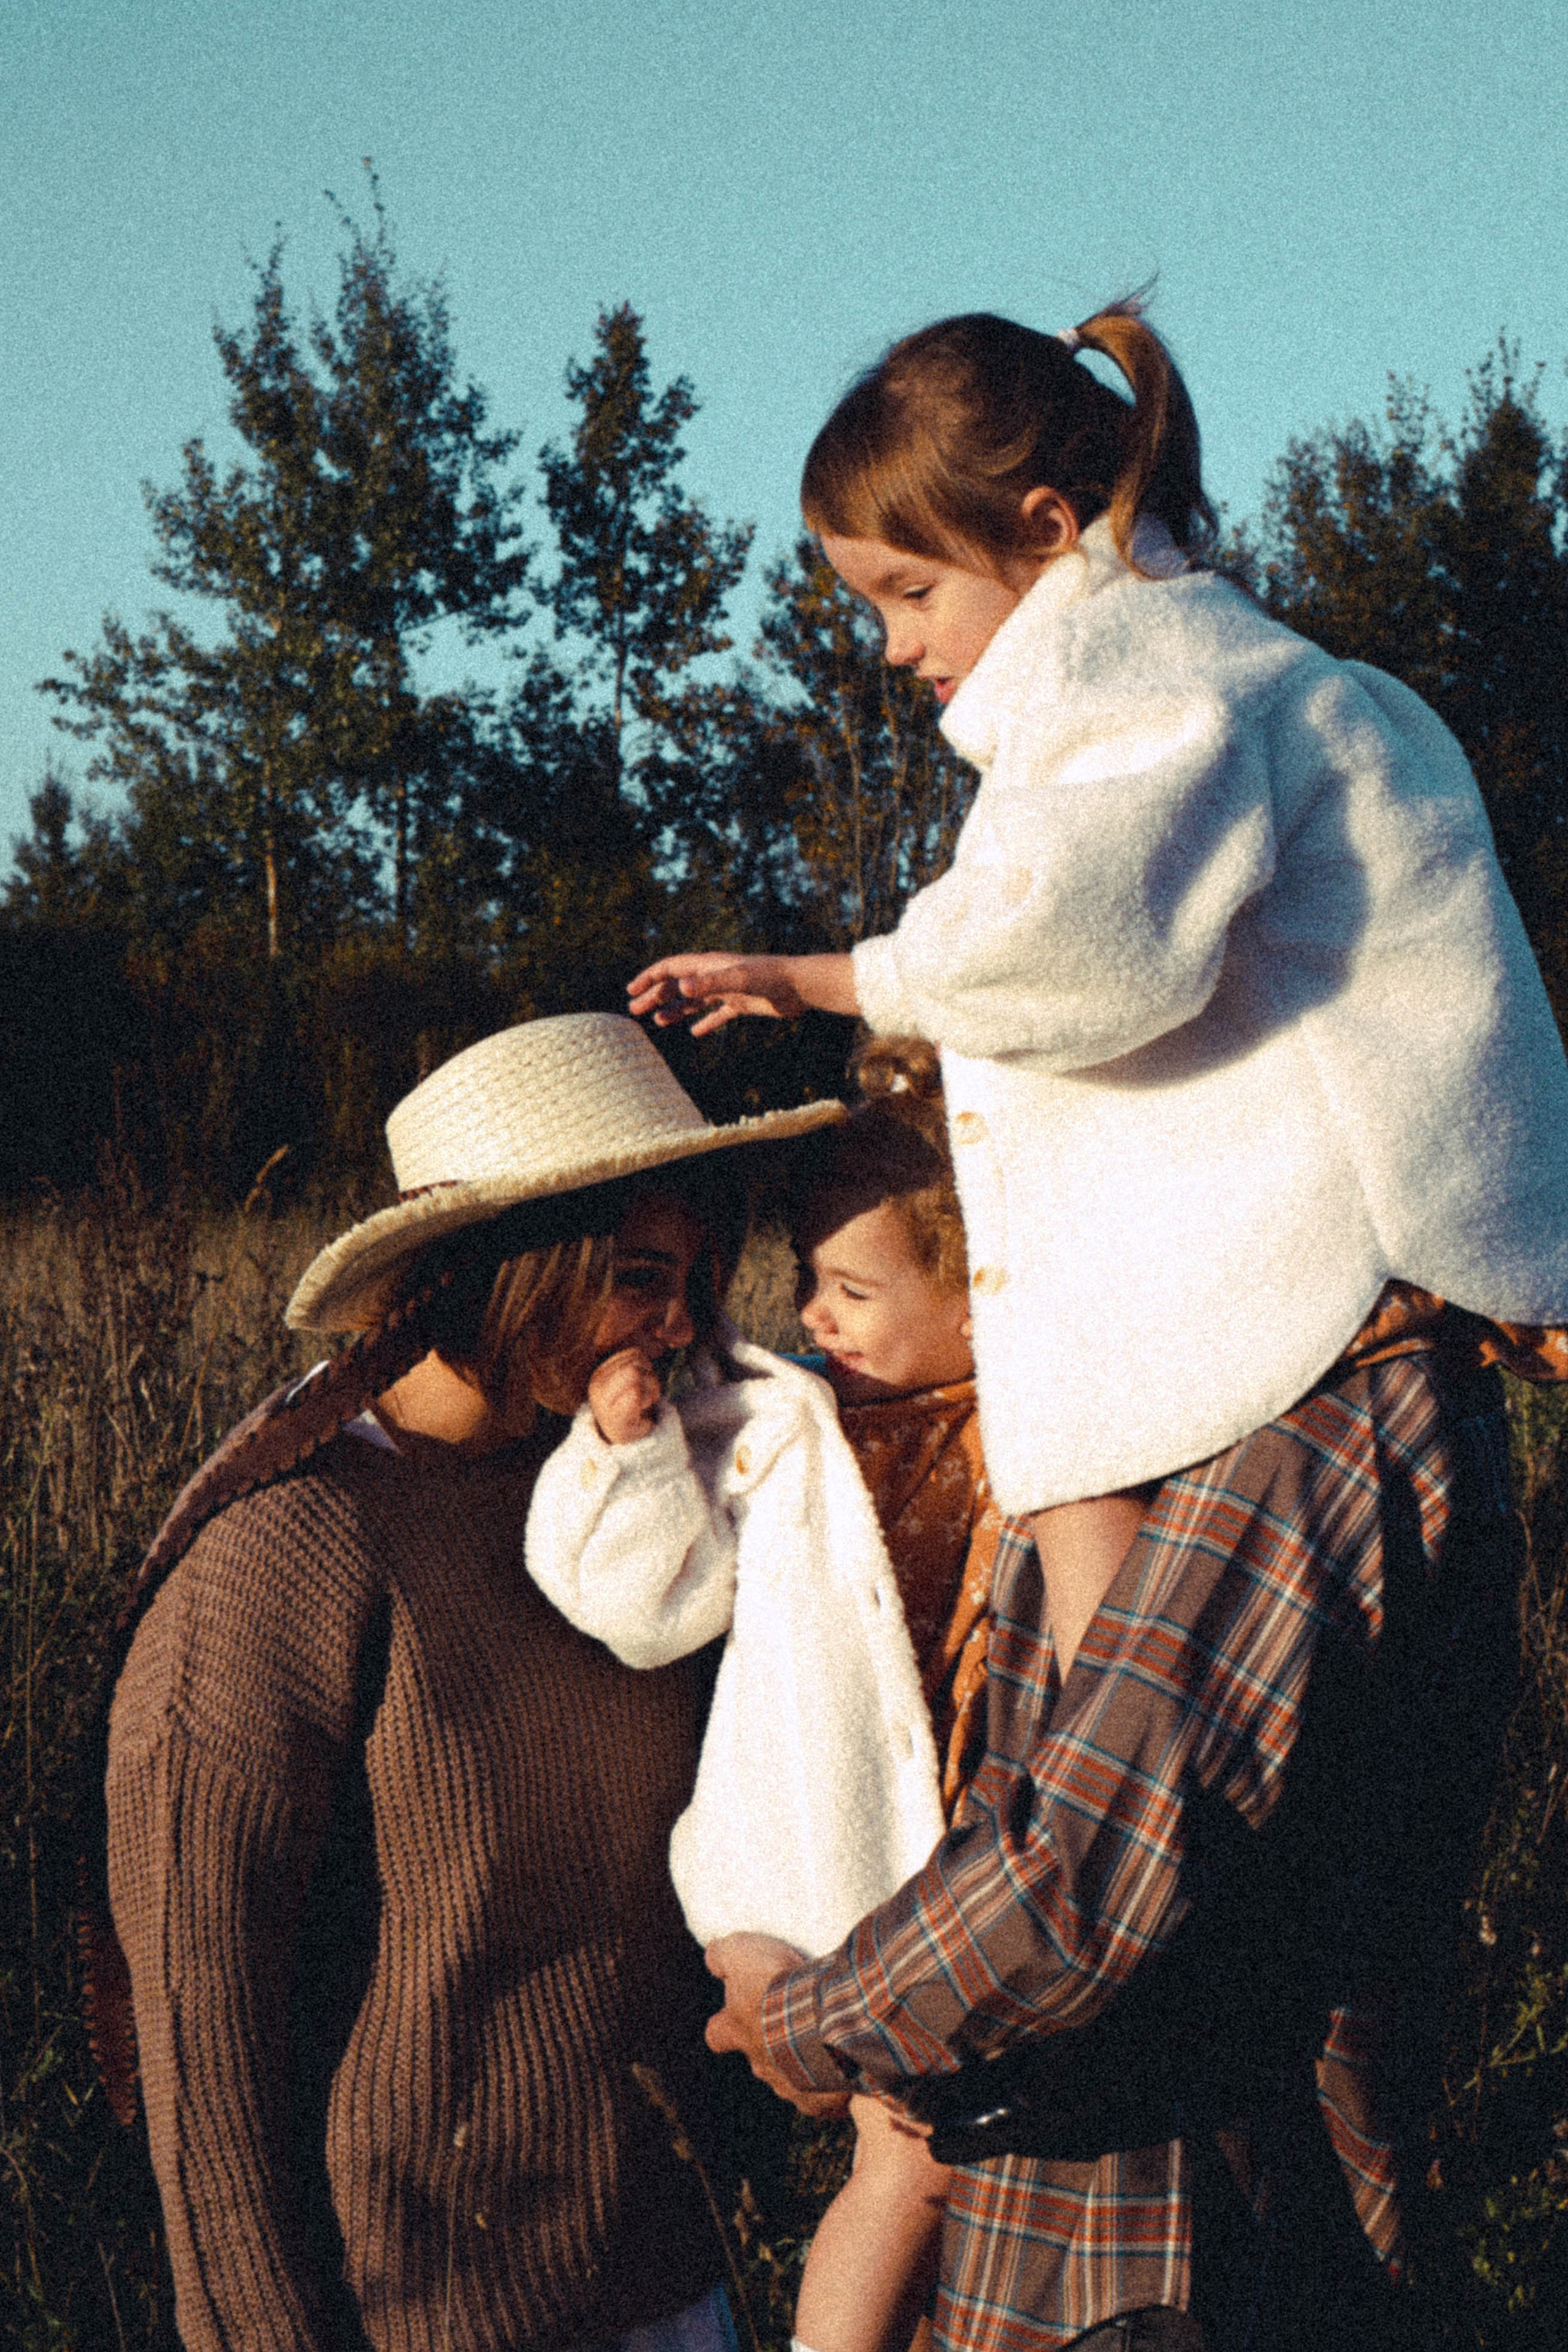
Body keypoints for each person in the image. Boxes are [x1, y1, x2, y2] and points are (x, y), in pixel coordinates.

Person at [625, 306, 1568, 2348]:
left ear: (1053, 531)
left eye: (908, 591)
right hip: (1194, 2229)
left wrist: (823, 2025)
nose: (892, 649)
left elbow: (1093, 1859)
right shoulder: (1197, 707)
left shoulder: (1175, 694)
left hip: (1165, 2256)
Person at [98, 1012, 845, 2352]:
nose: (681, 1323)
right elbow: (200, 2035)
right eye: (638, 1277)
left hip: (677, 2276)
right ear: (512, 1267)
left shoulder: (637, 1495)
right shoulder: (292, 1546)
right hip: (424, 2307)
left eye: (694, 1276)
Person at [526, 1037, 1003, 2352]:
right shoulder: (780, 1424)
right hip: (820, 1864)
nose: (814, 1317)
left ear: (981, 1297)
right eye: (806, 1281)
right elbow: (642, 1606)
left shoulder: (1038, 1423)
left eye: (852, 1289)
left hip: (975, 1863)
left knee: (970, 2174)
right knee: (911, 2163)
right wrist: (626, 1458)